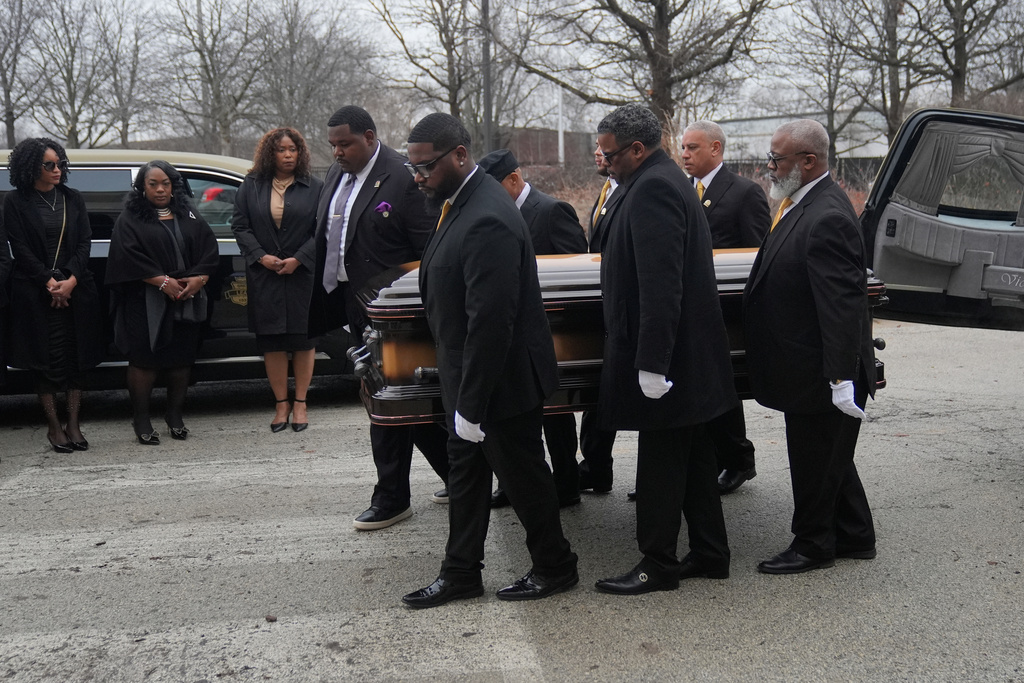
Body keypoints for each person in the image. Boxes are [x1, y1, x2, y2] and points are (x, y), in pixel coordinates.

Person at [401, 113, 578, 609]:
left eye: (425, 167)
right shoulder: (460, 201)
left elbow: (491, 322)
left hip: (499, 380)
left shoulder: (486, 217)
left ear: (460, 155)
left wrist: (472, 405)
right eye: (413, 167)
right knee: (466, 475)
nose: (418, 178)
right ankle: (460, 572)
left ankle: (556, 565)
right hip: (469, 374)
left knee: (523, 477)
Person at [593, 104, 736, 595]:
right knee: (694, 457)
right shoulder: (661, 179)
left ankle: (657, 563)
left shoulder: (652, 186)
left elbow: (661, 285)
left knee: (660, 464)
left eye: (610, 154)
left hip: (670, 360)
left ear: (637, 148)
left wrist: (651, 364)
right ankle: (712, 553)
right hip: (688, 355)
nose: (604, 160)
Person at [743, 119, 877, 574]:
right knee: (829, 454)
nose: (769, 167)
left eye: (776, 159)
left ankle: (813, 545)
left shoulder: (828, 217)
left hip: (822, 369)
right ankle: (855, 534)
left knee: (814, 458)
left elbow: (841, 307)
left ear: (808, 161)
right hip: (806, 362)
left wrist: (841, 378)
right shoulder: (803, 202)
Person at [307, 105, 450, 531]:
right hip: (353, 303)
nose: (337, 152)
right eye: (332, 144)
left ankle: (391, 496)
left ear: (370, 137)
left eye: (345, 143)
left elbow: (428, 249)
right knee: (396, 400)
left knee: (388, 400)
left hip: (398, 308)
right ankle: (462, 476)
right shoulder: (336, 176)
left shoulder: (402, 176)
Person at [476, 148, 588, 509]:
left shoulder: (552, 211)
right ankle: (515, 485)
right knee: (518, 419)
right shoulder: (494, 213)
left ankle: (567, 485)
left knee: (555, 416)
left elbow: (577, 271)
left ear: (513, 179)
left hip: (552, 334)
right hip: (511, 333)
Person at [681, 120, 771, 494]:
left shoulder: (743, 192)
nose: (684, 154)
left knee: (724, 391)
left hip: (726, 312)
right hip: (690, 309)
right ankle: (699, 465)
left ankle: (737, 461)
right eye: (683, 148)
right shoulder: (682, 190)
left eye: (693, 148)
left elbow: (758, 257)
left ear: (716, 149)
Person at [106, 160, 219, 445]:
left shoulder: (189, 212)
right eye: (152, 184)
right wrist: (161, 282)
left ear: (173, 186)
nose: (160, 189)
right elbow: (125, 256)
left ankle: (175, 415)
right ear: (141, 187)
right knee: (145, 361)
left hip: (186, 296)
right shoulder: (130, 217)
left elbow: (209, 247)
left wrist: (199, 279)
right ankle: (141, 419)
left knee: (181, 360)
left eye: (165, 183)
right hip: (144, 301)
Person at [4, 138, 103, 452]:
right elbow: (19, 249)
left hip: (76, 291)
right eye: (50, 165)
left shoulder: (72, 198)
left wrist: (70, 280)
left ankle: (73, 423)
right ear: (32, 167)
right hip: (36, 293)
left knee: (76, 359)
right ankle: (53, 426)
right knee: (45, 360)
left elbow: (85, 242)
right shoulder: (15, 202)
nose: (58, 169)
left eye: (60, 163)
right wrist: (49, 282)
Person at [232, 127, 323, 432]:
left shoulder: (316, 187)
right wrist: (260, 256)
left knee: (303, 340)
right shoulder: (252, 185)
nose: (287, 155)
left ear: (301, 153)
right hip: (265, 274)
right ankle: (280, 404)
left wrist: (300, 258)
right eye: (281, 150)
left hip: (302, 274)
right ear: (269, 153)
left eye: (292, 149)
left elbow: (322, 230)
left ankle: (300, 404)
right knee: (272, 342)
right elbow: (240, 226)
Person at [577, 142, 620, 496]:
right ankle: (595, 466)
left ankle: (737, 457)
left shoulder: (634, 193)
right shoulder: (608, 191)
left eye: (604, 148)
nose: (597, 153)